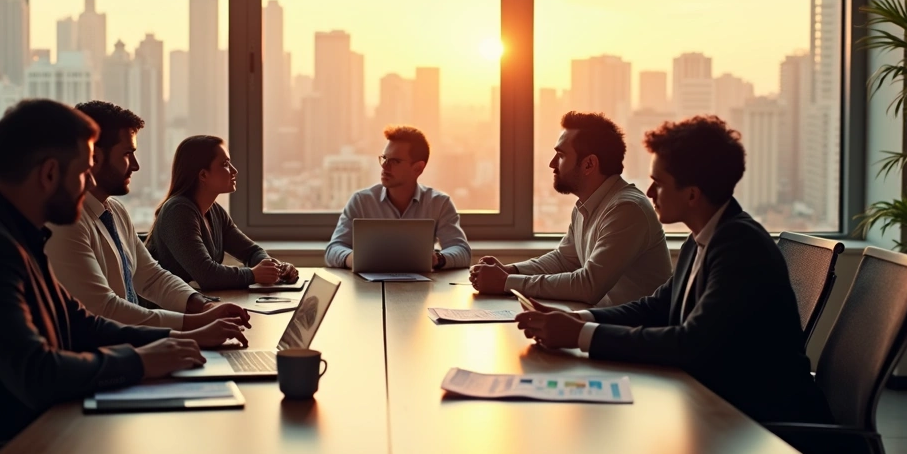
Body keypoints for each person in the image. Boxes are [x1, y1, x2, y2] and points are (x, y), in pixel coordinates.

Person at [0, 99, 255, 454]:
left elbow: (83, 324)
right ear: (49, 173)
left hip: (45, 433)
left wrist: (177, 337)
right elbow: (37, 372)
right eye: (82, 172)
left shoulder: (14, 231)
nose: (87, 183)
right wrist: (140, 362)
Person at [518, 115, 832, 454]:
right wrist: (583, 321)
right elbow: (657, 306)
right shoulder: (704, 240)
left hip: (756, 436)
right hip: (719, 417)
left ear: (692, 194)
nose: (649, 190)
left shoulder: (739, 247)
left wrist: (582, 335)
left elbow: (690, 343)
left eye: (660, 182)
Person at [44, 101, 251, 347]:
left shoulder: (116, 211)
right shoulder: (65, 223)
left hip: (133, 345)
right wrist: (193, 327)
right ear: (94, 157)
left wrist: (204, 305)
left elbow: (151, 277)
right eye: (126, 154)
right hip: (105, 358)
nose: (136, 165)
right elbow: (105, 308)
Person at [470, 112, 670, 305]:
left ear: (589, 164)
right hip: (603, 324)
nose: (552, 164)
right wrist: (509, 271)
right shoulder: (587, 204)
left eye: (561, 155)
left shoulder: (627, 209)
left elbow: (588, 285)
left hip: (630, 333)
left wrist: (505, 283)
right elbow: (563, 260)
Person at [147, 135, 298, 290]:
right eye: (225, 164)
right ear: (203, 175)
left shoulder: (214, 211)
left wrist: (273, 268)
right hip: (165, 310)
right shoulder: (178, 212)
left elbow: (251, 252)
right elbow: (207, 275)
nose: (234, 170)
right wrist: (253, 275)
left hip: (194, 307)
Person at [325, 126, 470, 270]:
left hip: (419, 289)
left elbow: (462, 251)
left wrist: (437, 259)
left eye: (395, 161)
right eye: (384, 158)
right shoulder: (361, 201)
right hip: (367, 289)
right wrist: (355, 259)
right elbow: (333, 250)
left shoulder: (439, 203)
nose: (385, 167)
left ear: (418, 168)